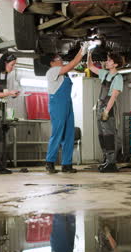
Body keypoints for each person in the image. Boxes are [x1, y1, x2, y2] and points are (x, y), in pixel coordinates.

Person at [42, 43, 88, 174]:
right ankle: (49, 163)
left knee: (69, 134)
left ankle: (66, 164)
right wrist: (82, 50)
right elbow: (72, 64)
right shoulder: (52, 71)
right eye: (58, 59)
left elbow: (75, 67)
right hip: (57, 104)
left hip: (67, 104)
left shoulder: (64, 74)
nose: (61, 60)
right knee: (57, 133)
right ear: (52, 63)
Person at [87, 51, 124, 173]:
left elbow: (113, 97)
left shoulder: (118, 78)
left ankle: (112, 162)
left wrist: (106, 111)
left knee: (109, 135)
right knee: (101, 135)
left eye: (109, 60)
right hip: (100, 107)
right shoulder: (105, 74)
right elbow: (90, 66)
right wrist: (89, 53)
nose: (106, 62)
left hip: (108, 108)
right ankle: (106, 159)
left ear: (115, 64)